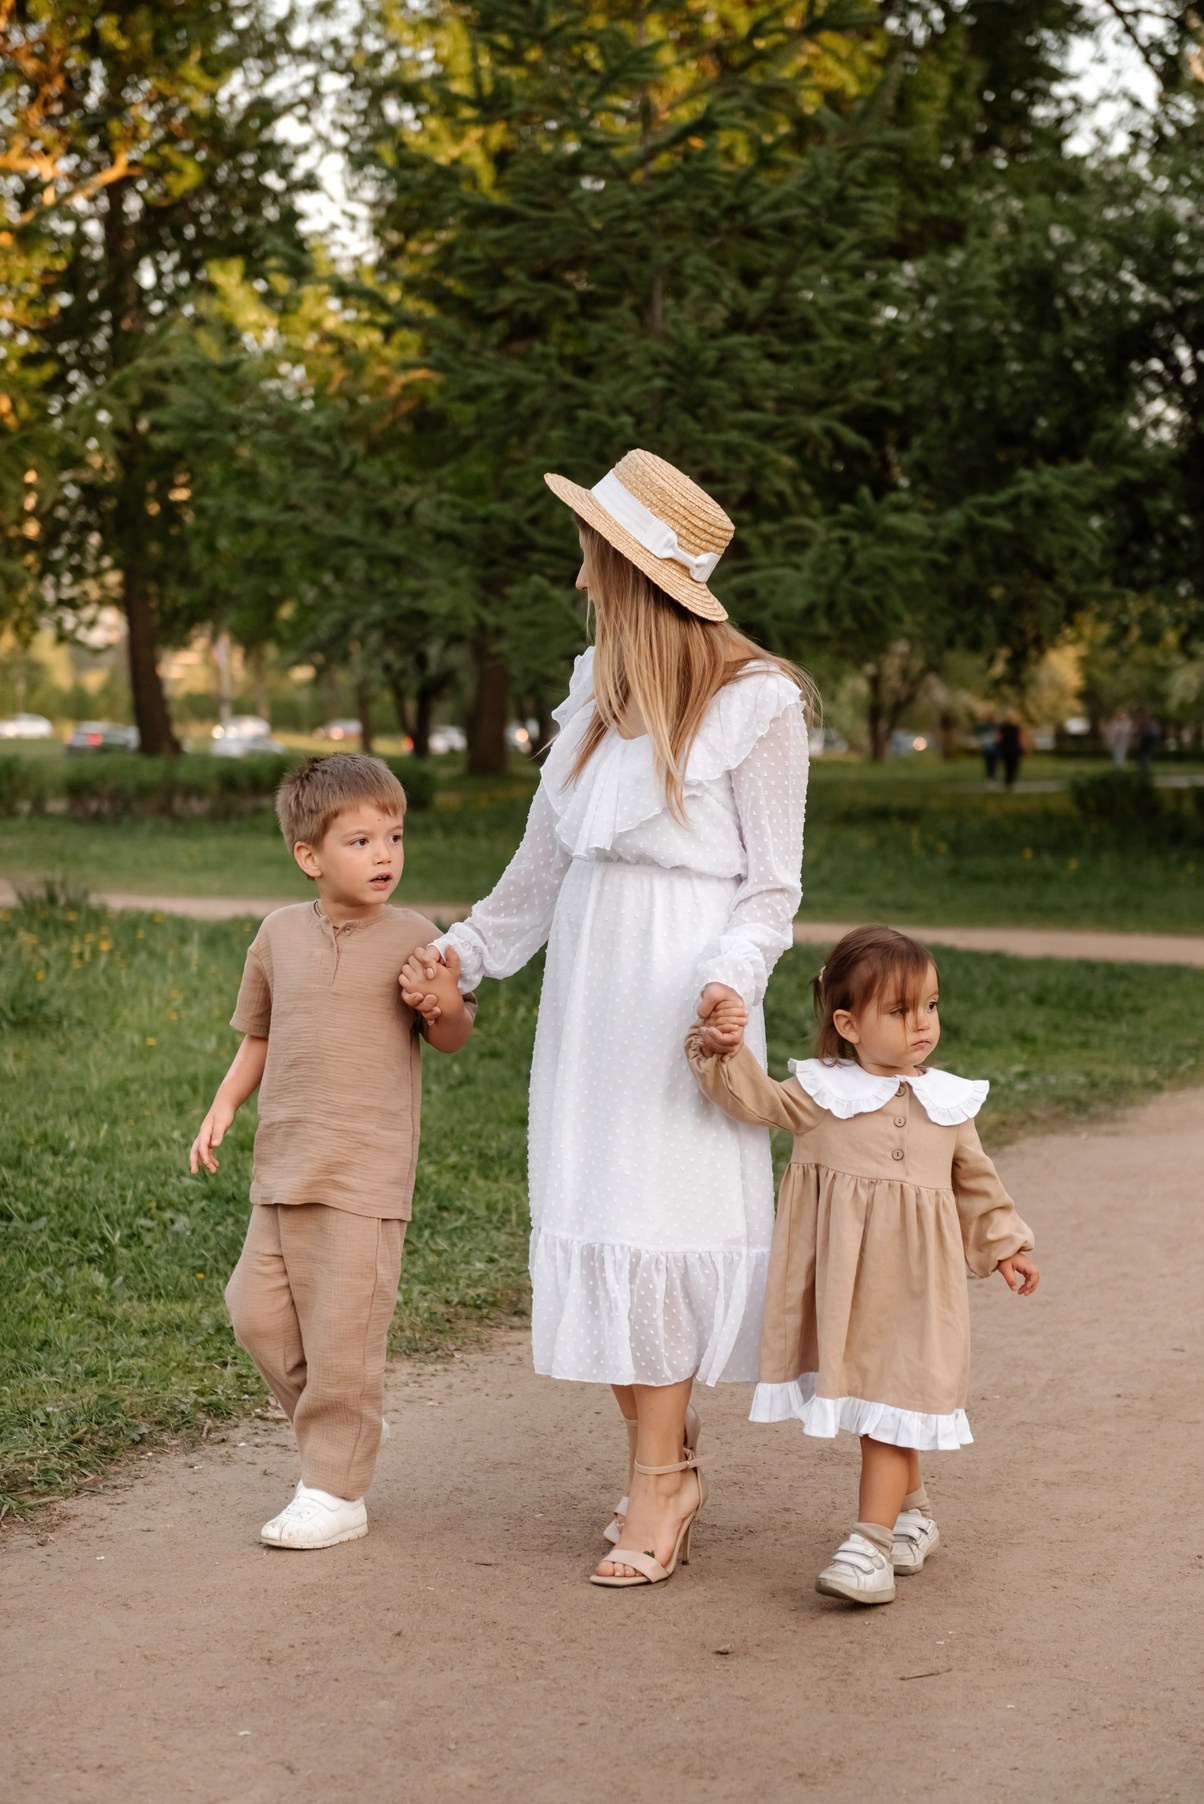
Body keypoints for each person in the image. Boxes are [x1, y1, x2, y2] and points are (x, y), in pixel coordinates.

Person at [404, 449, 811, 1587]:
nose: (580, 582)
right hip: (592, 994)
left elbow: (770, 887)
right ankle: (666, 1460)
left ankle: (654, 1481)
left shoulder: (756, 704)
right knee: (604, 1218)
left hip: (683, 992)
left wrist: (732, 983)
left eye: (592, 560)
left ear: (637, 573)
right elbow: (536, 876)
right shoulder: (592, 699)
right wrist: (462, 955)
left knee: (660, 1230)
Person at [685, 923, 1038, 1607]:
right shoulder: (821, 1094)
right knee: (887, 1404)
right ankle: (916, 1515)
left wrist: (1007, 1245)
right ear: (847, 1023)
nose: (922, 1025)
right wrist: (718, 1051)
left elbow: (978, 1184)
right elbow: (749, 1098)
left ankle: (870, 1545)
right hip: (849, 1289)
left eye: (931, 1006)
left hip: (921, 1289)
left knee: (890, 1408)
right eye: (900, 1011)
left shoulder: (947, 1104)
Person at [189, 754, 475, 1550]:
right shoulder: (279, 934)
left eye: (394, 836)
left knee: (343, 1335)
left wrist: (446, 1000)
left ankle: (336, 1488)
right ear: (309, 856)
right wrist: (223, 1104)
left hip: (364, 1173)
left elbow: (450, 1037)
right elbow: (260, 1035)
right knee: (254, 1314)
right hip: (283, 1166)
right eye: (359, 841)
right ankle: (344, 1423)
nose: (384, 855)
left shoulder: (417, 938)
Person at [998, 711, 1025, 789]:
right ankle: (1011, 781)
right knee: (1013, 766)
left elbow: (999, 738)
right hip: (1014, 750)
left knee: (1007, 766)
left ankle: (1008, 781)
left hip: (1006, 750)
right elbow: (1021, 739)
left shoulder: (1002, 728)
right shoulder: (1016, 728)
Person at [1134, 708, 1161, 780]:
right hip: (1147, 742)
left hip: (1148, 742)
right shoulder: (1149, 723)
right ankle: (1145, 772)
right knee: (1144, 758)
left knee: (1144, 758)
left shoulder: (1148, 723)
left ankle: (1146, 773)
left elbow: (1152, 734)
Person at [976, 716, 1000, 783]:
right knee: (990, 764)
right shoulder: (986, 728)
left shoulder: (993, 727)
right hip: (989, 749)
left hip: (992, 749)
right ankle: (990, 777)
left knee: (992, 764)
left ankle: (991, 777)